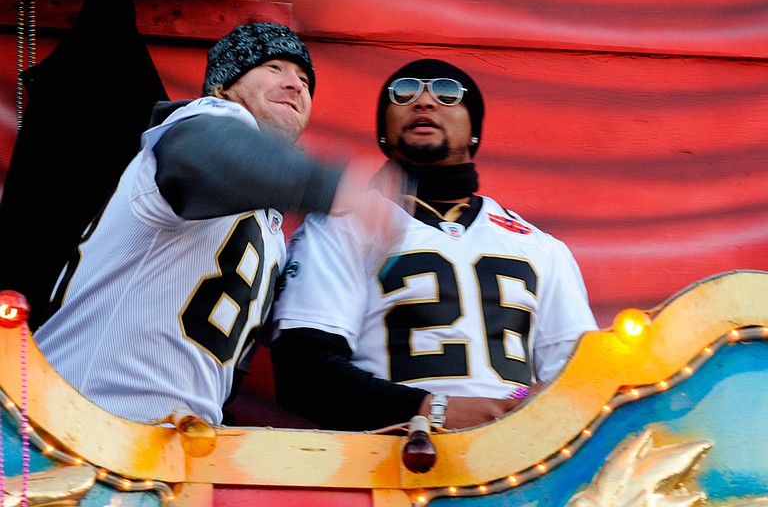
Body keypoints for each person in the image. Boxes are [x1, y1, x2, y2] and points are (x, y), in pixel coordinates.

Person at [32, 22, 403, 426]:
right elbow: (202, 154)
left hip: (164, 446)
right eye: (275, 68)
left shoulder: (270, 220)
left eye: (304, 79)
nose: (295, 84)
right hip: (83, 421)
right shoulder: (206, 119)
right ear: (223, 86)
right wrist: (333, 185)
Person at [269, 58, 598, 431]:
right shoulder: (342, 224)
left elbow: (580, 385)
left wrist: (535, 409)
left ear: (474, 129)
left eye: (446, 92)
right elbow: (303, 374)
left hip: (518, 467)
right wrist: (431, 409)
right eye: (404, 92)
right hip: (389, 463)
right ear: (384, 132)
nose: (424, 102)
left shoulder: (541, 247)